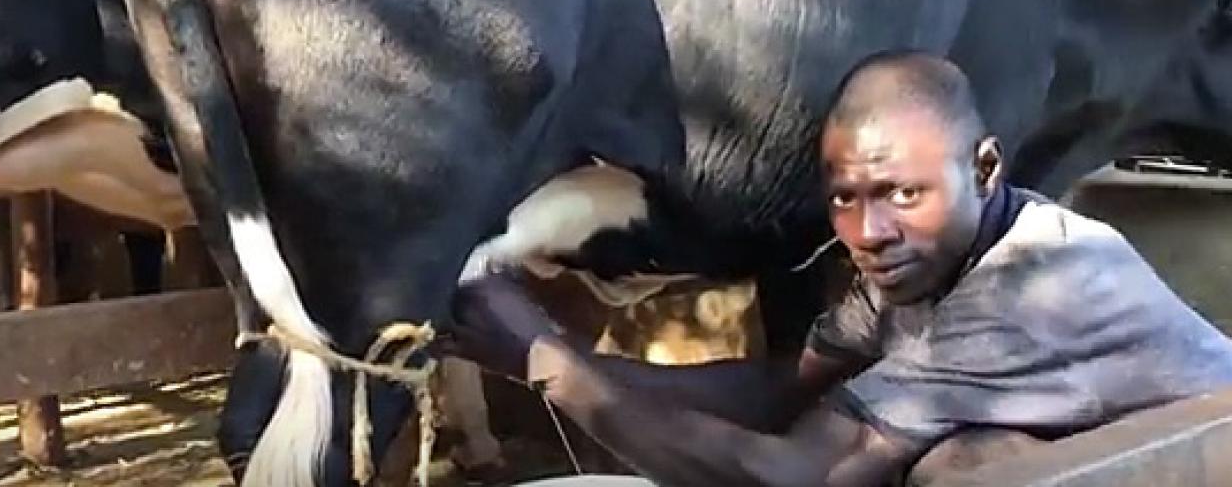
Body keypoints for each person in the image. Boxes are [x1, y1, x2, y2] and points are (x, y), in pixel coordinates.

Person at [447, 51, 1232, 487]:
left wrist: (548, 366)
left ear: (985, 168)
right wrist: (556, 353)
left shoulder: (1036, 283)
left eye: (902, 193)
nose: (869, 231)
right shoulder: (925, 261)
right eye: (846, 199)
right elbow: (780, 387)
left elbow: (790, 476)